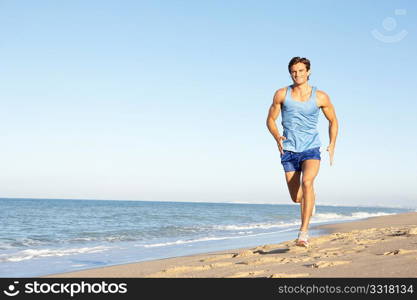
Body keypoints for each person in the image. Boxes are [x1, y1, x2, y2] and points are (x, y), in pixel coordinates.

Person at [266, 56, 339, 247]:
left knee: (307, 182)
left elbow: (333, 120)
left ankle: (303, 234)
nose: (297, 74)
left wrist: (332, 143)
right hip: (289, 150)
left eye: (300, 71)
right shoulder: (282, 94)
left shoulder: (320, 96)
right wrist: (277, 137)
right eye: (293, 71)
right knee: (296, 197)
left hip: (310, 149)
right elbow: (270, 120)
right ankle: (310, 201)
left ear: (308, 72)